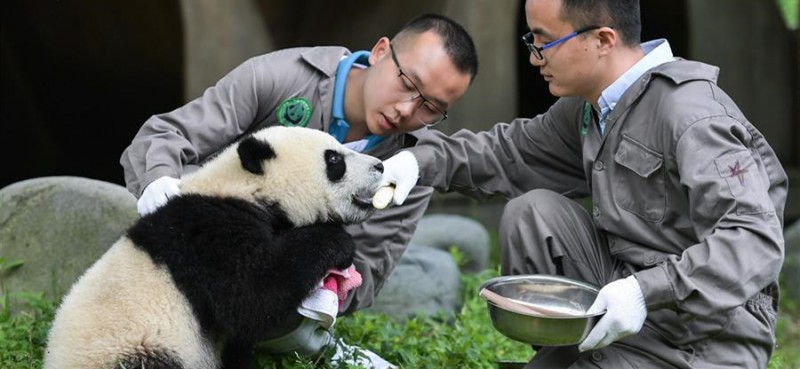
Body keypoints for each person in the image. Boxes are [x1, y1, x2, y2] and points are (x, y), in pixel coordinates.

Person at [380, 1, 788, 368]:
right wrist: (419, 161)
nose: (534, 57)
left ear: (603, 40)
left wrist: (644, 292)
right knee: (533, 212)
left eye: (544, 41)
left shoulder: (692, 114)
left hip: (704, 338)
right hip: (626, 307)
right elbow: (510, 153)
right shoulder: (592, 108)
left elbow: (755, 239)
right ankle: (575, 351)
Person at [120, 13, 478, 366]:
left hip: (283, 285)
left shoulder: (411, 163)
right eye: (407, 83)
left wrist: (307, 281)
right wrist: (158, 185)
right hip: (202, 239)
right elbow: (166, 136)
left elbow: (368, 269)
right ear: (381, 51)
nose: (406, 109)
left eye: (430, 107)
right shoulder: (278, 77)